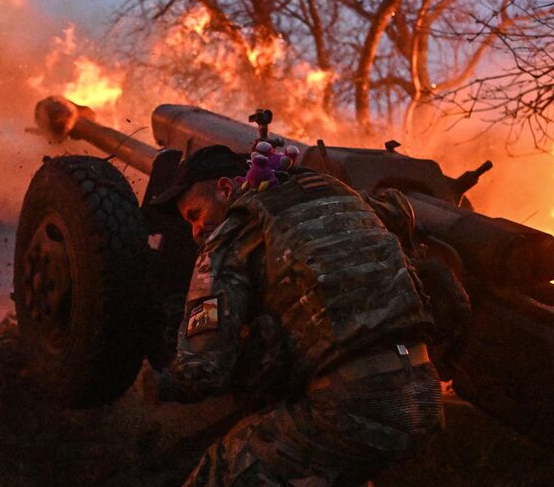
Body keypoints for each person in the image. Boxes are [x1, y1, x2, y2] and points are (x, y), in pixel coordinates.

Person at [145, 144, 444, 486]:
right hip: (423, 395)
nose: (196, 231)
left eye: (195, 214)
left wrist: (166, 382)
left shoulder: (232, 232)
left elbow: (204, 367)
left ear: (227, 189)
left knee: (216, 473)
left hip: (350, 405)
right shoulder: (346, 199)